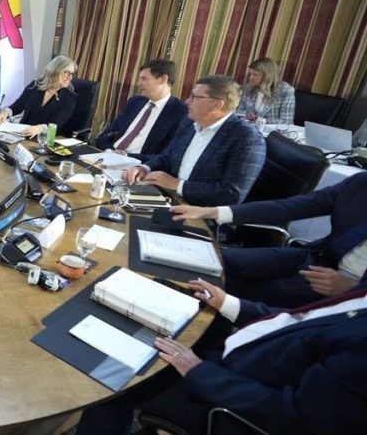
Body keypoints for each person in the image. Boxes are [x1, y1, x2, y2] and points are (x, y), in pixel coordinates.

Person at [74, 280, 367, 435]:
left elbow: (296, 419)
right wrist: (230, 304)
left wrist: (199, 371)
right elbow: (300, 319)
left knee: (115, 386)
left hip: (230, 402)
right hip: (241, 353)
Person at [171, 171, 367, 308]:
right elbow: (290, 207)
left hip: (350, 291)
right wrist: (212, 212)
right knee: (210, 262)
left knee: (233, 291)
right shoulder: (360, 183)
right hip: (315, 258)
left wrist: (352, 288)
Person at [124, 75, 266, 207]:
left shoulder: (247, 138)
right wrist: (144, 168)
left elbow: (231, 194)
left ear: (217, 104)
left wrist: (176, 185)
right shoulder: (189, 123)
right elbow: (167, 157)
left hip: (201, 212)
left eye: (195, 97)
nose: (187, 101)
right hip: (167, 198)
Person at [94, 59, 188, 161]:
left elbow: (165, 156)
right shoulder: (135, 102)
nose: (139, 83)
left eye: (144, 79)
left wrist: (126, 157)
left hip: (136, 165)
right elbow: (106, 134)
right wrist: (109, 151)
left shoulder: (180, 112)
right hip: (106, 156)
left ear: (163, 80)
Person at [0, 55, 78, 137]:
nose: (70, 77)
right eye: (67, 73)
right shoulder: (35, 85)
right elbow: (18, 105)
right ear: (55, 70)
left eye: (72, 74)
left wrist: (39, 129)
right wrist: (6, 112)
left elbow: (56, 124)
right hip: (23, 133)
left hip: (46, 139)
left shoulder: (69, 98)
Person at [238, 57, 295, 125]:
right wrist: (245, 115)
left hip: (270, 130)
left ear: (267, 75)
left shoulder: (286, 91)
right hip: (249, 127)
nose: (250, 77)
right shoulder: (249, 87)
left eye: (255, 74)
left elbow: (286, 121)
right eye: (250, 74)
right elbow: (239, 111)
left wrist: (261, 120)